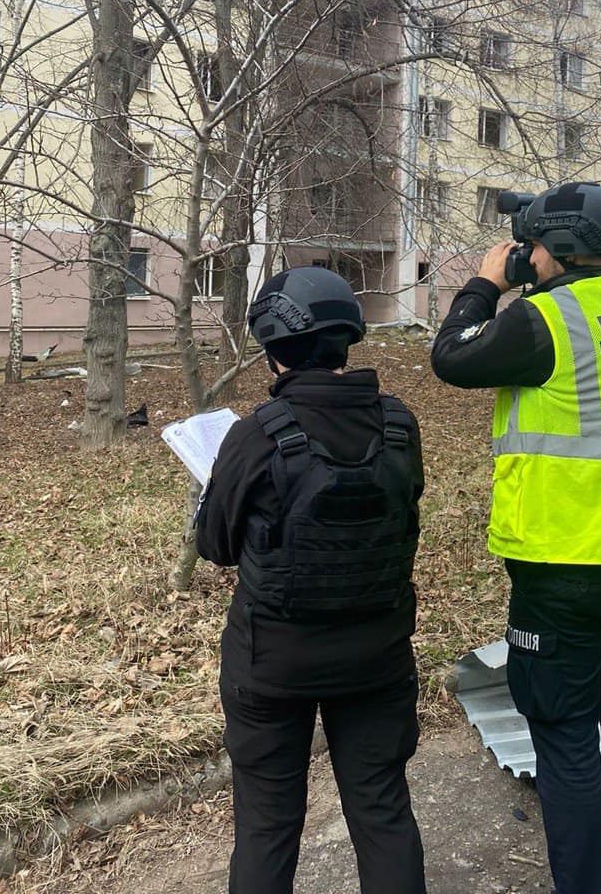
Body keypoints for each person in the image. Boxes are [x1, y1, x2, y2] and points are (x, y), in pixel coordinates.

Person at [431, 182, 601, 894]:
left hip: (562, 560)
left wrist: (485, 285)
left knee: (565, 734)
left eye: (531, 245)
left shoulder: (548, 320)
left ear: (558, 247)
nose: (524, 256)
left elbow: (452, 357)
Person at [195, 266, 427, 894]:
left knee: (267, 826)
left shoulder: (254, 434)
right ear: (346, 338)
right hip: (378, 656)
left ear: (273, 347)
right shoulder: (400, 425)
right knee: (382, 811)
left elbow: (215, 546)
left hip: (272, 662)